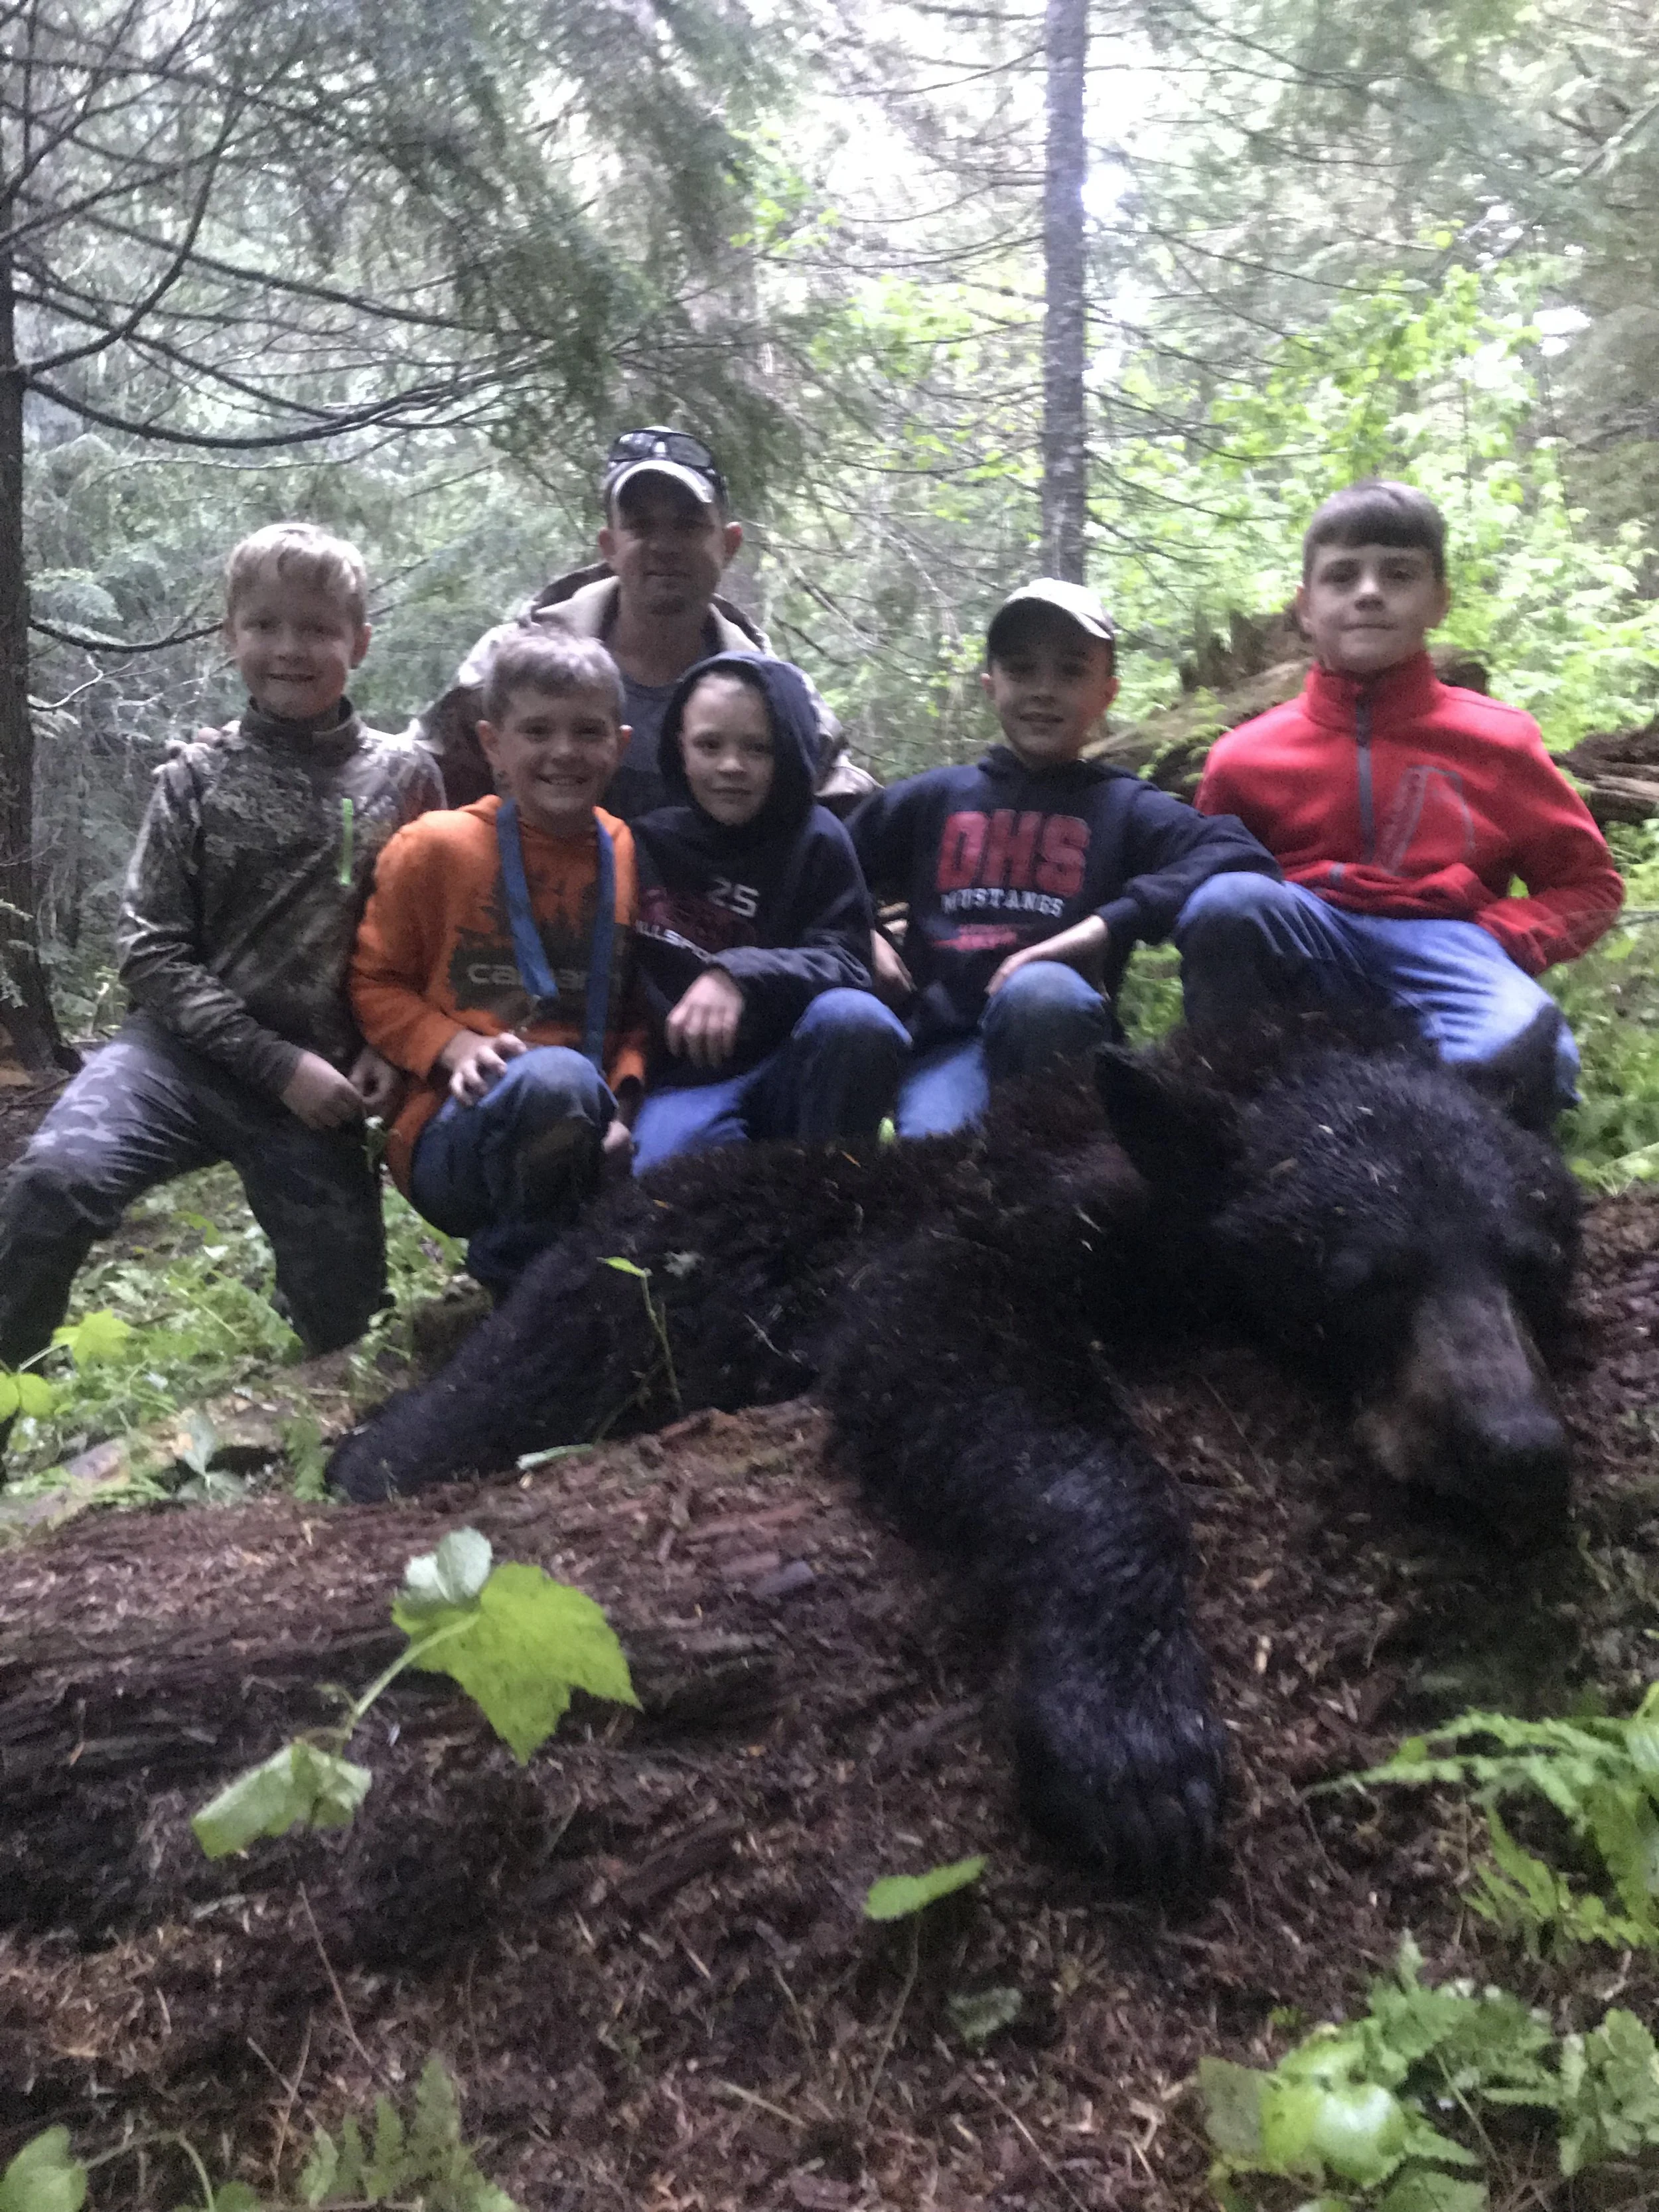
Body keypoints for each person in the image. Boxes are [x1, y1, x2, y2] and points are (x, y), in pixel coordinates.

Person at [0, 523, 443, 1372]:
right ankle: (13, 1380)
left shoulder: (407, 776)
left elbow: (429, 929)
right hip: (179, 1062)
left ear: (359, 642)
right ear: (229, 637)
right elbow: (149, 948)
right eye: (266, 626)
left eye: (317, 629)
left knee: (347, 1322)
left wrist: (396, 1047)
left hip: (326, 1086)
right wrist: (275, 1064)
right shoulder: (195, 778)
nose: (290, 649)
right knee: (53, 1182)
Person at [1176, 479, 1626, 1126]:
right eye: (1341, 576)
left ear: (1437, 601)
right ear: (1304, 608)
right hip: (1308, 937)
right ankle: (1238, 1128)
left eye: (1398, 573)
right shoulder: (1244, 757)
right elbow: (1199, 888)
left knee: (1527, 1051)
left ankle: (1472, 1193)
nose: (1367, 592)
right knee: (1227, 902)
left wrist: (1504, 936)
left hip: (1450, 948)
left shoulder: (1496, 740)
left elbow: (1589, 885)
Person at [848, 578, 1278, 1136]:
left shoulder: (1123, 805)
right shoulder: (934, 798)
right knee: (942, 1171)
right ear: (990, 685)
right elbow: (822, 863)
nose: (1044, 691)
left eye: (1071, 671)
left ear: (1108, 692)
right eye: (1022, 670)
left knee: (1042, 993)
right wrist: (864, 933)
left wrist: (1103, 928)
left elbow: (1239, 853)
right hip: (948, 1046)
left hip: (1065, 1037)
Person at [351, 629, 647, 1294]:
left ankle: (571, 1289)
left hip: (590, 1120)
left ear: (620, 745)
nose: (564, 752)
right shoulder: (436, 847)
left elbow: (632, 1002)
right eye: (537, 730)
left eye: (588, 731)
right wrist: (448, 1044)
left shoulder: (624, 851)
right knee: (556, 1082)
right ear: (493, 744)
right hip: (451, 1133)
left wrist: (625, 1110)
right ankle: (507, 1294)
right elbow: (373, 982)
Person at [413, 426, 876, 822]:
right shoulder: (512, 664)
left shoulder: (776, 699)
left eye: (688, 526)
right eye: (641, 526)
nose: (664, 546)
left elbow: (848, 826)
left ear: (729, 544)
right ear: (609, 545)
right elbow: (417, 780)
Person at [628, 652, 908, 1171]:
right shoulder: (647, 842)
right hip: (687, 1080)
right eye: (710, 745)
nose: (731, 766)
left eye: (757, 747)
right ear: (680, 750)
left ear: (789, 751)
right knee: (666, 1174)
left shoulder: (820, 840)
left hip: (797, 1065)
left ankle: (830, 1203)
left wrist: (738, 974)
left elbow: (848, 959)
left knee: (858, 1019)